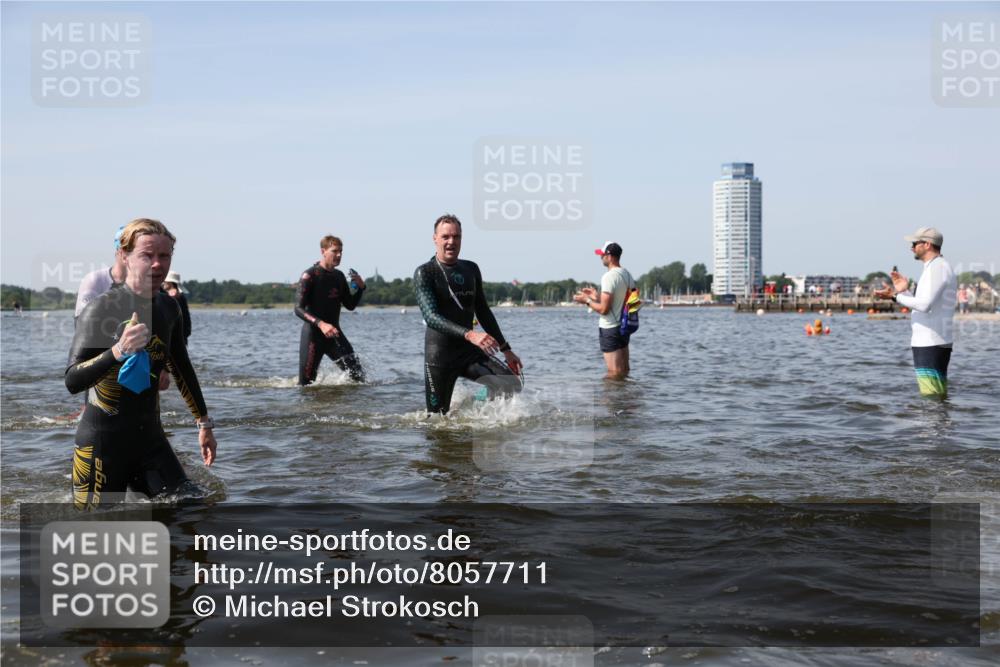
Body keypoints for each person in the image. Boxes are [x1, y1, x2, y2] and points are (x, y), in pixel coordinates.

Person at [65, 218, 217, 509]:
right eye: (147, 255)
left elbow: (182, 369)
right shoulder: (103, 308)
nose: (157, 264)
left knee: (194, 511)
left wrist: (204, 424)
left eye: (164, 256)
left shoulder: (168, 307)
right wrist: (118, 350)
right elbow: (72, 379)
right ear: (125, 256)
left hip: (150, 441)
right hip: (102, 445)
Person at [413, 214, 522, 414]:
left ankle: (474, 408)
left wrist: (506, 349)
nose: (451, 242)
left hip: (468, 352)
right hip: (439, 356)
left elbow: (483, 311)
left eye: (456, 237)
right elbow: (431, 316)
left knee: (510, 384)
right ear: (435, 239)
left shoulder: (470, 269)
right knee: (437, 421)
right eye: (445, 237)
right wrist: (471, 334)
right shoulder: (425, 273)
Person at [874, 226, 957, 398]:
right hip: (931, 341)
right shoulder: (934, 267)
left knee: (931, 396)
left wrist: (895, 296)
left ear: (927, 244)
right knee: (935, 395)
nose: (911, 247)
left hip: (931, 342)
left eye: (914, 243)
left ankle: (933, 424)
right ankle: (937, 423)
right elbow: (924, 304)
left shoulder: (938, 268)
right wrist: (904, 291)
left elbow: (924, 305)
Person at [295, 235, 366, 384]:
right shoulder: (310, 275)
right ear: (323, 251)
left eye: (341, 251)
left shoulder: (339, 277)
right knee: (305, 385)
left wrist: (360, 288)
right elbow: (298, 309)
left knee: (359, 378)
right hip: (313, 337)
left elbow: (350, 305)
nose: (339, 255)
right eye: (335, 251)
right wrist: (321, 324)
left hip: (334, 335)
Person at [573, 241, 636, 379]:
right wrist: (596, 298)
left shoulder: (608, 277)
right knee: (624, 370)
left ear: (610, 256)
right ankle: (624, 399)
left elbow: (604, 310)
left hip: (610, 329)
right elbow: (625, 303)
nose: (600, 257)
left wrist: (587, 301)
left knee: (614, 374)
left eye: (602, 255)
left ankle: (610, 400)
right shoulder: (627, 274)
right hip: (624, 328)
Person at [74, 226, 128, 318]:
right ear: (119, 251)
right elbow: (82, 324)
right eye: (127, 249)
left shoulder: (150, 282)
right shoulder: (94, 280)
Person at [162, 270, 192, 344]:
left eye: (165, 282)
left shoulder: (171, 296)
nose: (163, 284)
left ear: (170, 283)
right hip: (182, 336)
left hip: (174, 339)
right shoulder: (181, 297)